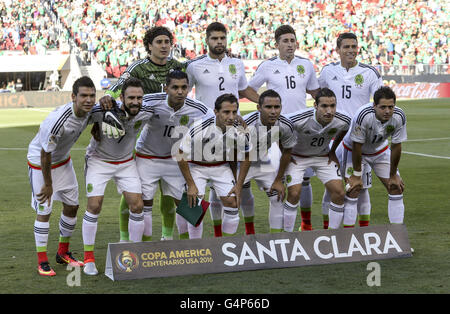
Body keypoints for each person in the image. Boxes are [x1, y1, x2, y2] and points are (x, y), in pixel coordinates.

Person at [102, 26, 185, 242]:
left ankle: (167, 238)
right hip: (146, 136)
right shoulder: (138, 68)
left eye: (167, 42)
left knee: (170, 193)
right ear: (149, 46)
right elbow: (118, 86)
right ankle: (124, 239)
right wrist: (108, 97)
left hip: (172, 137)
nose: (164, 46)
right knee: (135, 194)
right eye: (159, 42)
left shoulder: (178, 67)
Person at [185, 22, 259, 236]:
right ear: (206, 40)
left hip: (231, 130)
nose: (219, 42)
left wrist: (262, 102)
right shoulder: (194, 65)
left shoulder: (236, 63)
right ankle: (192, 246)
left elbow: (243, 89)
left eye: (222, 38)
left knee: (229, 193)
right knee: (193, 200)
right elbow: (182, 91)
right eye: (214, 38)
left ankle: (223, 242)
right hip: (202, 132)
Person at [248, 24, 320, 231]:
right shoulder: (268, 66)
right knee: (278, 175)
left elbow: (315, 91)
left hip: (301, 127)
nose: (290, 44)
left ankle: (305, 224)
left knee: (304, 178)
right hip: (277, 128)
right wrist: (263, 107)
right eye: (285, 41)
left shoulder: (306, 65)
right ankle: (272, 229)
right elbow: (249, 89)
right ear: (276, 44)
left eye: (292, 40)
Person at [82, 78, 154, 275]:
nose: (136, 102)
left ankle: (134, 254)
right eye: (131, 98)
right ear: (122, 97)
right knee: (94, 205)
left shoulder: (147, 111)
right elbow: (83, 113)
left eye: (139, 98)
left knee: (138, 205)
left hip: (125, 163)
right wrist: (103, 100)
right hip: (99, 161)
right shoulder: (103, 110)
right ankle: (88, 259)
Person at [27, 76, 96, 276]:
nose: (88, 100)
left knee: (72, 206)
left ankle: (62, 252)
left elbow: (101, 114)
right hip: (41, 163)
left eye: (92, 96)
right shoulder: (58, 120)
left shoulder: (90, 111)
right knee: (45, 210)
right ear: (73, 96)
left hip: (63, 160)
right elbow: (44, 153)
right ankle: (42, 261)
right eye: (83, 96)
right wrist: (48, 184)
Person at [134, 70, 214, 241]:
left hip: (175, 160)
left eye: (184, 87)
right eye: (175, 87)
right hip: (147, 158)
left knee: (190, 206)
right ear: (166, 88)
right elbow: (126, 107)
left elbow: (216, 119)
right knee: (144, 204)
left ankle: (187, 246)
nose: (180, 91)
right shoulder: (150, 101)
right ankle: (145, 247)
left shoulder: (198, 108)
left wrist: (235, 118)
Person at [318, 32, 383, 228]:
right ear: (338, 50)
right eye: (346, 47)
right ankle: (327, 232)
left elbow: (379, 103)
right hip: (333, 139)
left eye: (354, 46)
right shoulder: (328, 71)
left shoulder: (370, 73)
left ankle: (361, 234)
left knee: (361, 189)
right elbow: (320, 98)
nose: (351, 50)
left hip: (360, 140)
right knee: (332, 187)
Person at [177, 93, 247, 238]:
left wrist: (238, 183)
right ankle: (195, 248)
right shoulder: (200, 127)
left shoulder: (239, 129)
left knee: (233, 202)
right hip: (196, 167)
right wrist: (190, 184)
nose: (231, 116)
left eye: (234, 112)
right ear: (216, 112)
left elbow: (246, 155)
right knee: (193, 205)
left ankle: (226, 245)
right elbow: (180, 154)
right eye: (226, 112)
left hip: (221, 167)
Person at [284, 88, 350, 231]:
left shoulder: (343, 119)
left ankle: (332, 235)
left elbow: (345, 128)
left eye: (332, 106)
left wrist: (332, 151)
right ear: (315, 106)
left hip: (322, 157)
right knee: (294, 193)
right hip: (298, 158)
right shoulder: (297, 118)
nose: (329, 110)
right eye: (324, 106)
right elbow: (280, 128)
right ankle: (287, 236)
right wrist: (286, 153)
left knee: (339, 193)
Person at [340, 86, 406, 228]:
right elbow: (357, 145)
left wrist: (393, 174)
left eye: (391, 107)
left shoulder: (399, 116)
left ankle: (398, 236)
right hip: (354, 151)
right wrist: (357, 175)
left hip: (380, 151)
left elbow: (396, 145)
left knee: (396, 187)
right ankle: (348, 238)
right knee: (353, 189)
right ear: (374, 105)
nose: (387, 111)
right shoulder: (363, 115)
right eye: (382, 107)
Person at [234, 89, 296, 233]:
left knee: (277, 197)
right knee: (231, 200)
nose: (273, 111)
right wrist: (237, 184)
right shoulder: (246, 125)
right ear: (258, 108)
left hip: (262, 161)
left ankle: (275, 241)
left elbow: (286, 150)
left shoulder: (286, 124)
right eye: (268, 107)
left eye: (277, 107)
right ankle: (248, 233)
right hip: (238, 163)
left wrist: (278, 180)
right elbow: (242, 156)